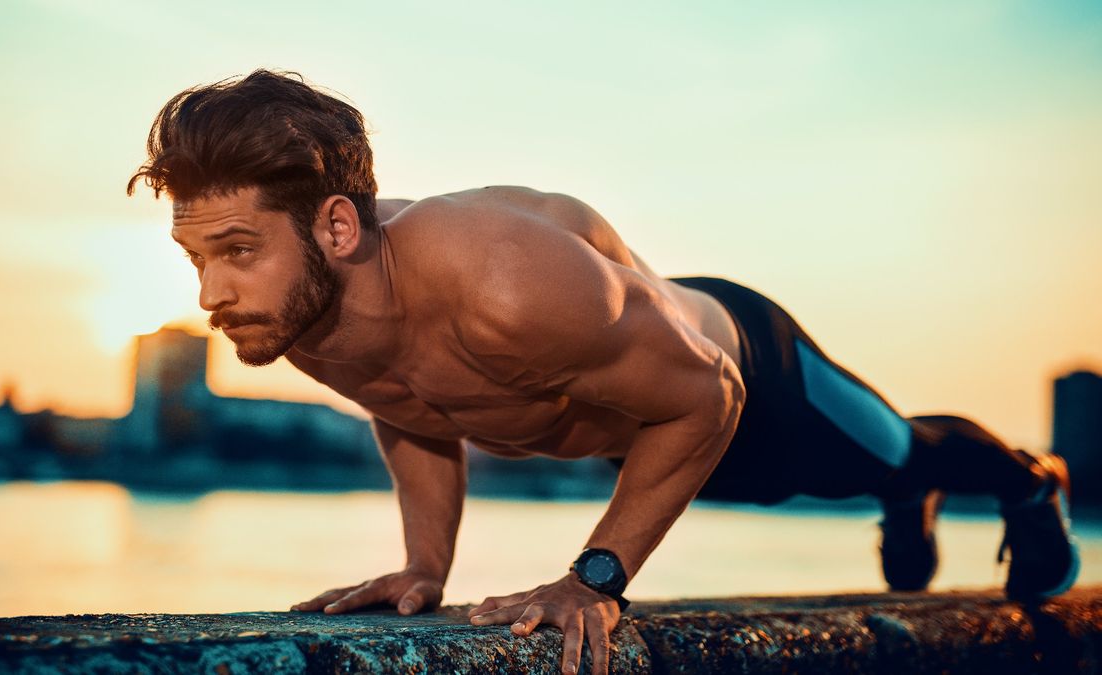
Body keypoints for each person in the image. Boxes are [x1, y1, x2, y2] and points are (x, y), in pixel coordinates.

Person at [127, 70, 1079, 675]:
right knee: (873, 469)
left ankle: (1034, 484)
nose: (210, 292)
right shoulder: (295, 309)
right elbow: (408, 403)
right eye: (197, 258)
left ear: (336, 226)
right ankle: (903, 493)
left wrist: (596, 578)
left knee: (900, 450)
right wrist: (426, 566)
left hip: (748, 371)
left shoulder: (502, 278)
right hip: (652, 439)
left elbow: (711, 394)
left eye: (237, 250)